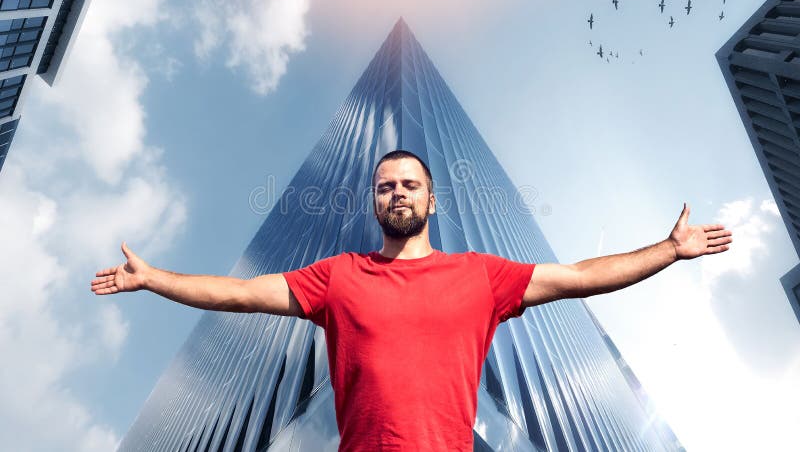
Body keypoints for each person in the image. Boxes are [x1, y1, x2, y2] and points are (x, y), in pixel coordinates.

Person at [91, 149, 732, 451]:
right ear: (374, 202)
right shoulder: (338, 276)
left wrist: (668, 250)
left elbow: (581, 276)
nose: (396, 193)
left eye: (409, 185)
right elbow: (240, 293)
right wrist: (155, 278)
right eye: (385, 187)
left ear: (431, 200)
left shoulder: (481, 275)